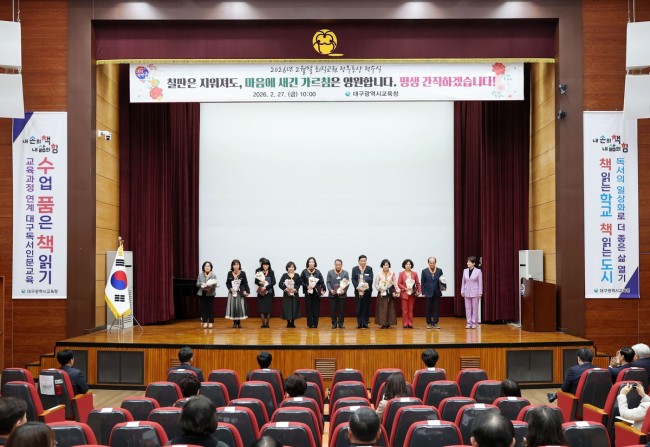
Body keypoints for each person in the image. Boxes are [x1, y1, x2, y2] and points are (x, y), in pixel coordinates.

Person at [301, 257, 325, 329]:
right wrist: (307, 286)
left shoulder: (318, 272)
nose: (311, 263)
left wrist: (323, 289)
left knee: (316, 308)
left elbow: (322, 282)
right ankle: (310, 324)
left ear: (315, 263)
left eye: (312, 262)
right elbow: (301, 281)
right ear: (308, 263)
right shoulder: (304, 272)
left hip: (316, 292)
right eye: (310, 262)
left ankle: (315, 324)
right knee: (308, 308)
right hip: (308, 292)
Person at [225, 259, 250, 329]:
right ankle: (234, 323)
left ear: (239, 265)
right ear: (232, 266)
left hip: (240, 292)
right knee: (233, 307)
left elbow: (245, 283)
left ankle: (238, 323)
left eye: (237, 264)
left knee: (239, 307)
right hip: (232, 293)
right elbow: (227, 283)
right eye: (234, 265)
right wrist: (231, 289)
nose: (236, 266)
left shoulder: (243, 273)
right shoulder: (229, 273)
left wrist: (247, 291)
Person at [421, 256, 444, 329]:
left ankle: (435, 323)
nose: (432, 264)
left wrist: (443, 287)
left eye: (433, 263)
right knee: (428, 309)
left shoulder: (439, 270)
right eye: (431, 263)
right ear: (428, 263)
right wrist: (423, 292)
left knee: (436, 308)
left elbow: (442, 280)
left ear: (435, 263)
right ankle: (429, 323)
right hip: (428, 292)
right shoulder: (424, 271)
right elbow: (422, 283)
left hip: (437, 292)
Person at [374, 259, 398, 329]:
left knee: (390, 308)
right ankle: (383, 323)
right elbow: (376, 283)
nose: (385, 266)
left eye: (387, 265)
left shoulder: (392, 273)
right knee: (382, 308)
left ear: (389, 266)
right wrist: (380, 289)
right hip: (382, 292)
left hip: (390, 292)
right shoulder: (379, 274)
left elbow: (395, 282)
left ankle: (389, 323)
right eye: (384, 265)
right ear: (382, 266)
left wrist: (397, 291)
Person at [351, 255, 374, 329]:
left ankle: (365, 323)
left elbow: (371, 279)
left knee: (366, 307)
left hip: (367, 291)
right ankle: (359, 323)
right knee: (359, 307)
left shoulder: (369, 268)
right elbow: (353, 279)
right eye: (361, 261)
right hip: (358, 291)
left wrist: (364, 287)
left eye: (364, 261)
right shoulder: (355, 269)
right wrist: (358, 287)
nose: (363, 262)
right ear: (358, 261)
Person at [327, 259, 350, 329]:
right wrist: (330, 290)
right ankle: (334, 323)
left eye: (339, 265)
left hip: (342, 295)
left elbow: (347, 283)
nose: (338, 266)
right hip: (332, 294)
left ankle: (341, 323)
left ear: (341, 265)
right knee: (332, 309)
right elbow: (328, 282)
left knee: (341, 310)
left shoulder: (345, 273)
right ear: (334, 265)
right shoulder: (330, 272)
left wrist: (344, 290)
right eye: (336, 265)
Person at [461, 256, 483, 329]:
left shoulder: (478, 271)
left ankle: (474, 323)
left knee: (475, 308)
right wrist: (462, 291)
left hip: (475, 292)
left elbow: (480, 283)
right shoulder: (465, 271)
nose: (467, 263)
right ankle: (469, 323)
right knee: (468, 308)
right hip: (466, 291)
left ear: (473, 263)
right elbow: (463, 282)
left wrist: (480, 293)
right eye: (467, 262)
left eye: (469, 262)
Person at [398, 259, 421, 329]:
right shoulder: (401, 274)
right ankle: (405, 323)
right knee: (405, 310)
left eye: (409, 264)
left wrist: (419, 290)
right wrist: (405, 288)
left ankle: (410, 323)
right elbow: (399, 283)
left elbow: (417, 283)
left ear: (411, 265)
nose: (408, 265)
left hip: (412, 294)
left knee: (410, 309)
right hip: (404, 294)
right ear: (404, 265)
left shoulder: (414, 273)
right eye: (407, 264)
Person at [255, 258, 276, 328]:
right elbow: (256, 281)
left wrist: (266, 287)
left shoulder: (271, 272)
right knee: (262, 309)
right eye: (264, 265)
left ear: (269, 265)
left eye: (267, 265)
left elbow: (274, 282)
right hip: (261, 292)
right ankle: (263, 324)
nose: (265, 266)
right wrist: (260, 282)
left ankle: (267, 323)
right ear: (262, 265)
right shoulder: (259, 272)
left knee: (268, 309)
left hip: (269, 292)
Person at [279, 261, 302, 328]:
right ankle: (288, 322)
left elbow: (299, 284)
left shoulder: (297, 275)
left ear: (294, 268)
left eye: (292, 267)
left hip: (294, 294)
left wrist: (295, 289)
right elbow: (280, 284)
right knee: (287, 308)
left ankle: (293, 322)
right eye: (289, 267)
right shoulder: (284, 275)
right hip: (287, 295)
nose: (291, 268)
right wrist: (285, 289)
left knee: (294, 308)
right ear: (287, 268)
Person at [197, 261, 217, 329]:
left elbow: (215, 285)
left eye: (208, 266)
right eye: (206, 266)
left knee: (210, 308)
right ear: (203, 267)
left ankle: (211, 322)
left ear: (211, 267)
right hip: (202, 293)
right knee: (203, 308)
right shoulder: (200, 275)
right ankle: (205, 322)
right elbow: (197, 284)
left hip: (210, 293)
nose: (207, 267)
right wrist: (202, 284)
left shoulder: (213, 275)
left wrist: (210, 287)